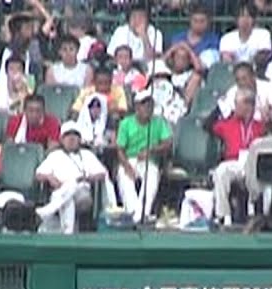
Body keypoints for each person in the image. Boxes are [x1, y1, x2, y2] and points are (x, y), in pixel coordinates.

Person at [34, 121, 108, 234]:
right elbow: (38, 174)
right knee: (68, 198)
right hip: (60, 190)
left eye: (75, 135)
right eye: (68, 135)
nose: (71, 138)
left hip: (81, 192)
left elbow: (102, 173)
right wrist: (49, 177)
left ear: (80, 139)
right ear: (62, 139)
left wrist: (86, 178)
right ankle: (68, 232)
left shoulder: (87, 155)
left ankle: (48, 211)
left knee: (71, 186)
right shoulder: (55, 155)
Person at [115, 90, 172, 223]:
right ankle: (134, 212)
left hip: (149, 160)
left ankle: (142, 214)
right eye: (144, 104)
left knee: (151, 177)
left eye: (150, 105)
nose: (148, 108)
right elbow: (120, 149)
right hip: (129, 159)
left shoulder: (158, 122)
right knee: (124, 177)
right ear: (136, 107)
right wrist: (127, 166)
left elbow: (168, 143)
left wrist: (151, 150)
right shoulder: (126, 123)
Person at [211, 89, 265, 227]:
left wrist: (268, 117)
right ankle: (223, 215)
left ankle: (254, 215)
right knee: (221, 171)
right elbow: (207, 124)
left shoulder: (260, 126)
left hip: (254, 163)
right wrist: (219, 109)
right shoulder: (228, 123)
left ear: (249, 106)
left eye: (238, 104)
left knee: (256, 172)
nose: (235, 107)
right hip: (234, 163)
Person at [168, 4, 221, 69]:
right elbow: (166, 60)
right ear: (190, 21)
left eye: (202, 21)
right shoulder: (179, 37)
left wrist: (188, 49)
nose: (198, 24)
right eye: (195, 21)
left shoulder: (213, 40)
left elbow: (204, 65)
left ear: (208, 22)